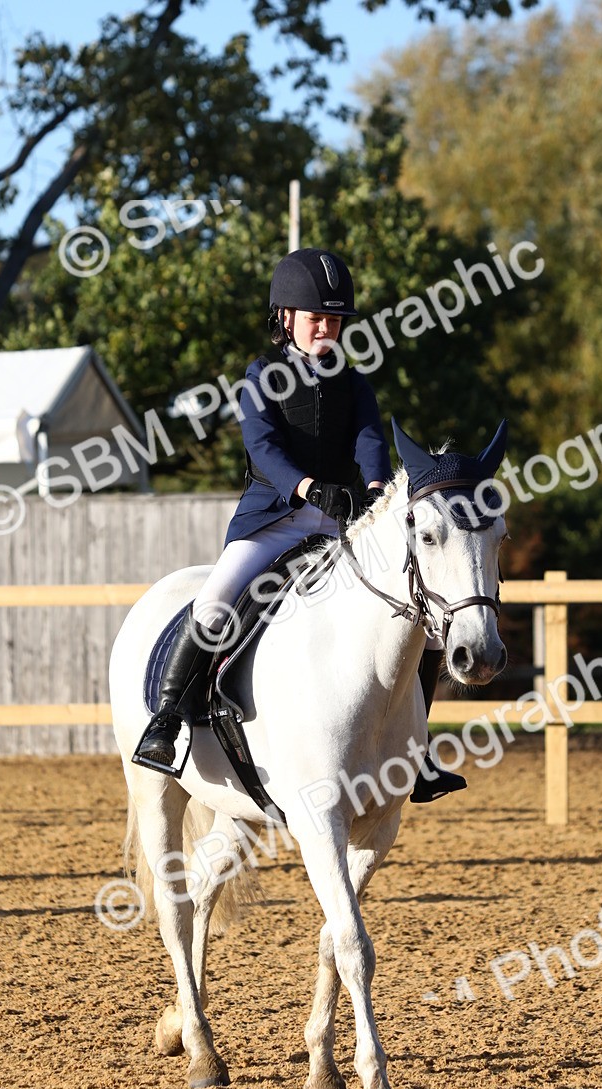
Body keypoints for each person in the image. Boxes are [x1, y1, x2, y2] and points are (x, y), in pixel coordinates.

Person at [134, 246, 464, 801]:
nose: (327, 329)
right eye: (317, 319)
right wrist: (309, 488)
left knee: (424, 620)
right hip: (275, 519)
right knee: (216, 599)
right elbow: (262, 449)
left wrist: (379, 491)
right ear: (285, 319)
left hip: (344, 521)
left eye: (334, 321)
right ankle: (166, 721)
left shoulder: (354, 384)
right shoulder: (261, 376)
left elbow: (368, 442)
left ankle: (417, 750)